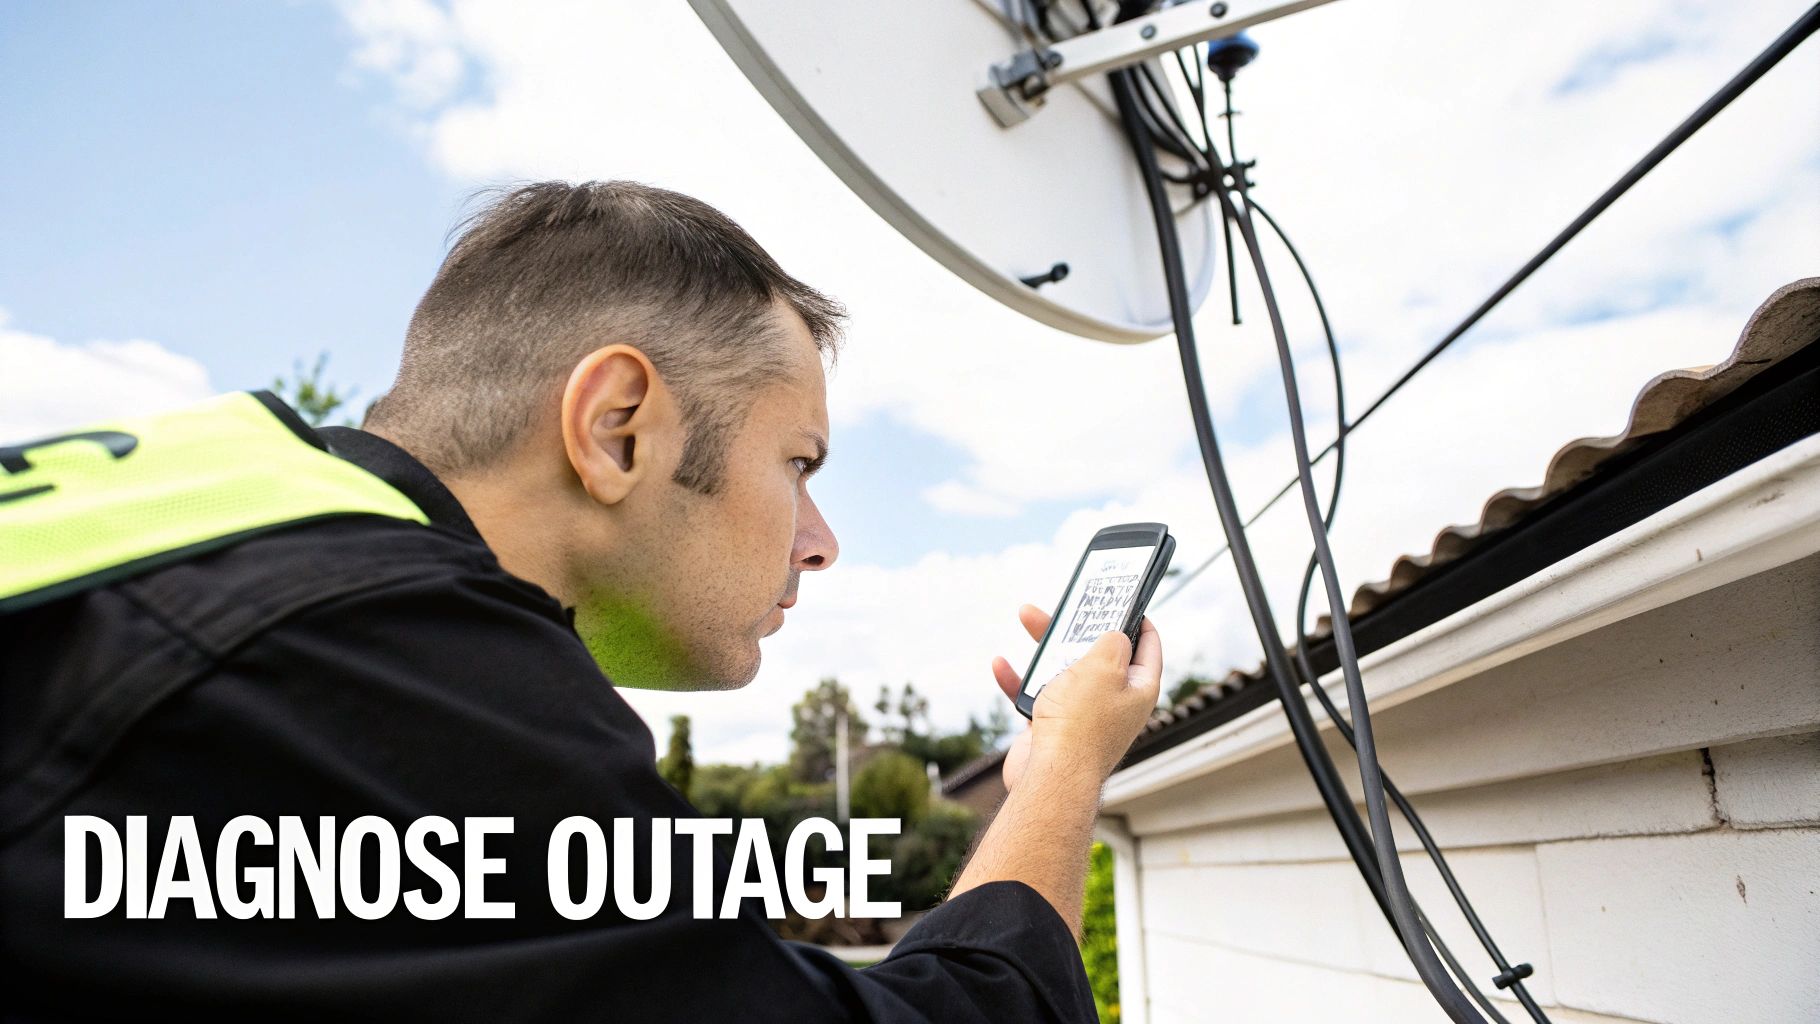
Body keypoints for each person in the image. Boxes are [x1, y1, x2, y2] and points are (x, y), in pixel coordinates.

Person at [0, 181, 1163, 1021]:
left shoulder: (190, 496)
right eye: (798, 463)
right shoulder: (412, 676)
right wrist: (1060, 768)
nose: (821, 543)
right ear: (617, 429)